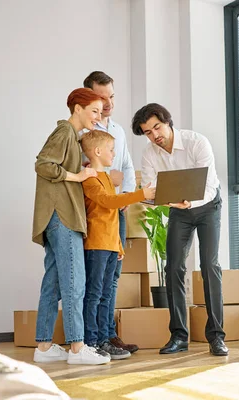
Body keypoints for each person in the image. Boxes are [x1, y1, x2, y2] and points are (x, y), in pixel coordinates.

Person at [131, 103, 228, 356]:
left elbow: (207, 186)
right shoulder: (150, 154)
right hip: (178, 209)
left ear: (167, 122)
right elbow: (153, 189)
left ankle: (216, 337)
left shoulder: (197, 143)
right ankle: (179, 336)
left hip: (208, 205)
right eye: (148, 132)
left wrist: (189, 202)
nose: (155, 135)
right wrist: (156, 199)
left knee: (209, 265)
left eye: (157, 127)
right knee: (173, 266)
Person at [32, 88, 110, 365]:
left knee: (53, 284)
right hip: (62, 215)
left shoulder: (72, 139)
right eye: (94, 111)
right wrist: (76, 175)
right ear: (77, 108)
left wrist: (79, 170)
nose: (98, 117)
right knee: (75, 282)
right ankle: (77, 348)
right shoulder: (64, 132)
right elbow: (43, 165)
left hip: (56, 217)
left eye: (101, 113)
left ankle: (43, 347)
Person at [79, 130, 155, 360]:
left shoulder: (106, 179)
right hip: (96, 245)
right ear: (98, 151)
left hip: (110, 245)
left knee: (104, 295)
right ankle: (90, 342)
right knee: (93, 294)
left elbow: (112, 218)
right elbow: (108, 202)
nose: (114, 154)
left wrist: (119, 247)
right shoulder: (90, 179)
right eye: (111, 150)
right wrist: (141, 193)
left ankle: (104, 339)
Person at [82, 71, 139, 354]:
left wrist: (125, 195)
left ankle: (108, 334)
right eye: (102, 98)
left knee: (113, 277)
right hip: (96, 215)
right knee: (95, 282)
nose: (108, 103)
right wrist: (110, 182)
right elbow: (87, 173)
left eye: (111, 96)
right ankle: (95, 339)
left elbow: (126, 167)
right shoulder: (83, 133)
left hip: (119, 210)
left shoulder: (118, 131)